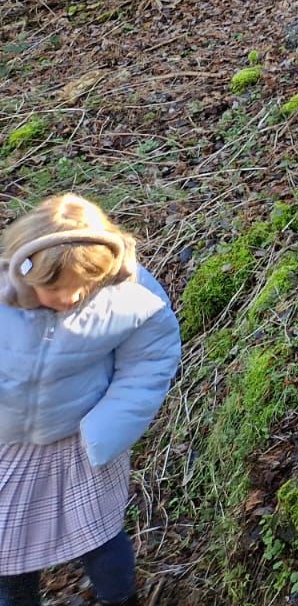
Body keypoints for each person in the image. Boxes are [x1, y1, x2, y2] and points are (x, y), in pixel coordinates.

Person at [1, 193, 182, 606]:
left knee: (98, 537)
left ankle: (119, 598)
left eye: (83, 287)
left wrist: (107, 429)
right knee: (8, 551)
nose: (69, 298)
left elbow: (149, 361)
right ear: (25, 273)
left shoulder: (130, 296)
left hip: (84, 440)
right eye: (53, 288)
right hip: (9, 444)